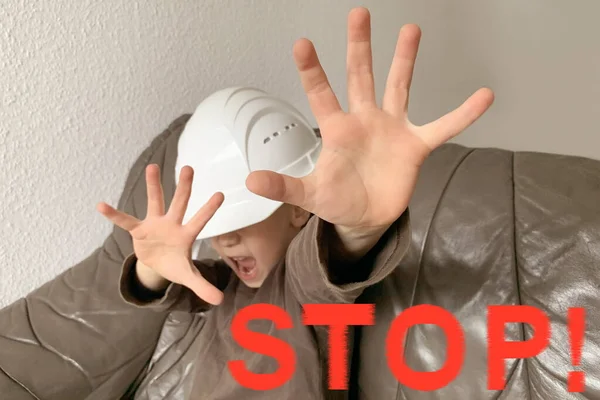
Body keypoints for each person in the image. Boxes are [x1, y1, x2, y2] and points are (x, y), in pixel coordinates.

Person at [0, 7, 494, 400]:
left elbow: (331, 264)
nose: (226, 237)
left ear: (300, 210)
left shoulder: (297, 281)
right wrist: (153, 269)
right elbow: (173, 289)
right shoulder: (224, 283)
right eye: (217, 224)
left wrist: (360, 226)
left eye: (245, 218)